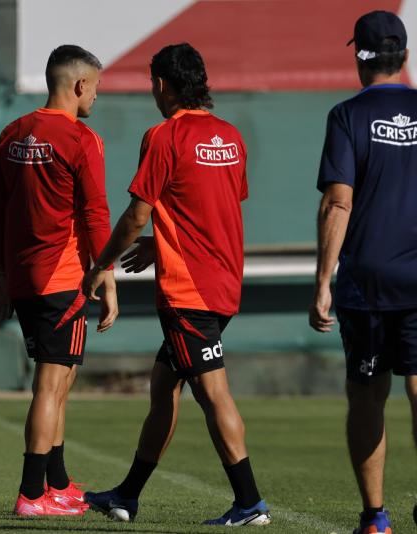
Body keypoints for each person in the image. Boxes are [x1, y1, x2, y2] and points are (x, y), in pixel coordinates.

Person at [82, 43, 269, 526]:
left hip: (190, 292)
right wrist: (160, 244)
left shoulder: (163, 136)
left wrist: (104, 263)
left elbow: (135, 214)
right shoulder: (230, 137)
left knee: (213, 394)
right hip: (224, 281)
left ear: (161, 84)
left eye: (151, 84)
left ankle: (249, 502)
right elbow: (211, 208)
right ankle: (126, 495)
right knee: (164, 383)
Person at [0, 44, 117, 516]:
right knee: (50, 384)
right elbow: (97, 216)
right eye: (96, 88)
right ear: (79, 85)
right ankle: (31, 493)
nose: (96, 98)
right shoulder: (83, 140)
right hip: (63, 279)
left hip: (23, 280)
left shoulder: (13, 133)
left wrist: (1, 274)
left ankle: (56, 482)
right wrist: (109, 279)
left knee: (59, 382)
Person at [310, 10, 417, 534]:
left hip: (367, 281)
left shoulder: (346, 116)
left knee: (368, 393)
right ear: (406, 57)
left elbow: (337, 203)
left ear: (359, 58)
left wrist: (323, 282)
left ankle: (376, 518)